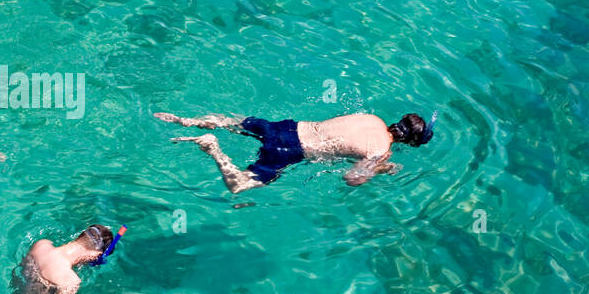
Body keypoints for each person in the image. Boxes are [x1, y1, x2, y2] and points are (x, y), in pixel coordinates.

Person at [155, 110, 435, 192]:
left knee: (237, 123)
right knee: (239, 185)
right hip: (290, 149)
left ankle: (185, 120)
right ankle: (212, 147)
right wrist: (382, 168)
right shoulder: (381, 150)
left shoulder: (372, 118)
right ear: (409, 142)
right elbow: (352, 178)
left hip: (290, 128)